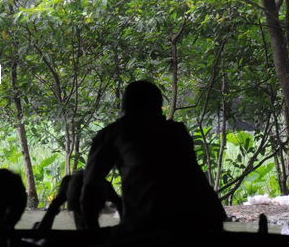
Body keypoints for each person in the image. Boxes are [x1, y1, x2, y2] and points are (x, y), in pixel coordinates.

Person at [80, 80, 227, 232]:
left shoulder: (114, 134)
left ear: (124, 106)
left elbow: (90, 187)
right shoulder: (177, 131)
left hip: (153, 224)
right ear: (159, 106)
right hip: (207, 217)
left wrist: (92, 233)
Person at [34, 168, 122, 232]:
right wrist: (117, 200)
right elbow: (130, 228)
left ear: (71, 203)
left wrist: (56, 203)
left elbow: (37, 238)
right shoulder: (111, 240)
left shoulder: (61, 244)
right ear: (101, 203)